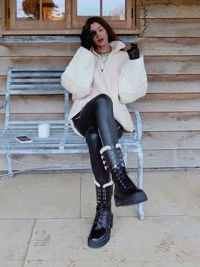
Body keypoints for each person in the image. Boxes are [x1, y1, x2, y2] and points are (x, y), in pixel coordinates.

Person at [61, 16, 148, 249]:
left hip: (112, 121)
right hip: (84, 114)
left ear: (107, 30)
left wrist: (135, 61)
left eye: (100, 29)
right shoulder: (85, 55)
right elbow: (76, 88)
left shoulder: (121, 56)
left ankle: (104, 212)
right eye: (92, 33)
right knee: (100, 100)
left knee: (93, 136)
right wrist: (83, 51)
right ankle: (121, 177)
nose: (98, 34)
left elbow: (129, 95)